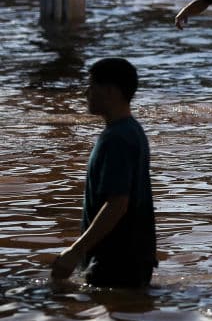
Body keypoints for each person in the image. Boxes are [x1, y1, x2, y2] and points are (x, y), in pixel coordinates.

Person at [52, 58, 157, 287]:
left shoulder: (116, 138)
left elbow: (117, 204)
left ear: (110, 91)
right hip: (133, 257)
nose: (86, 93)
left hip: (115, 260)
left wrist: (74, 251)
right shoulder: (132, 130)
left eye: (91, 86)